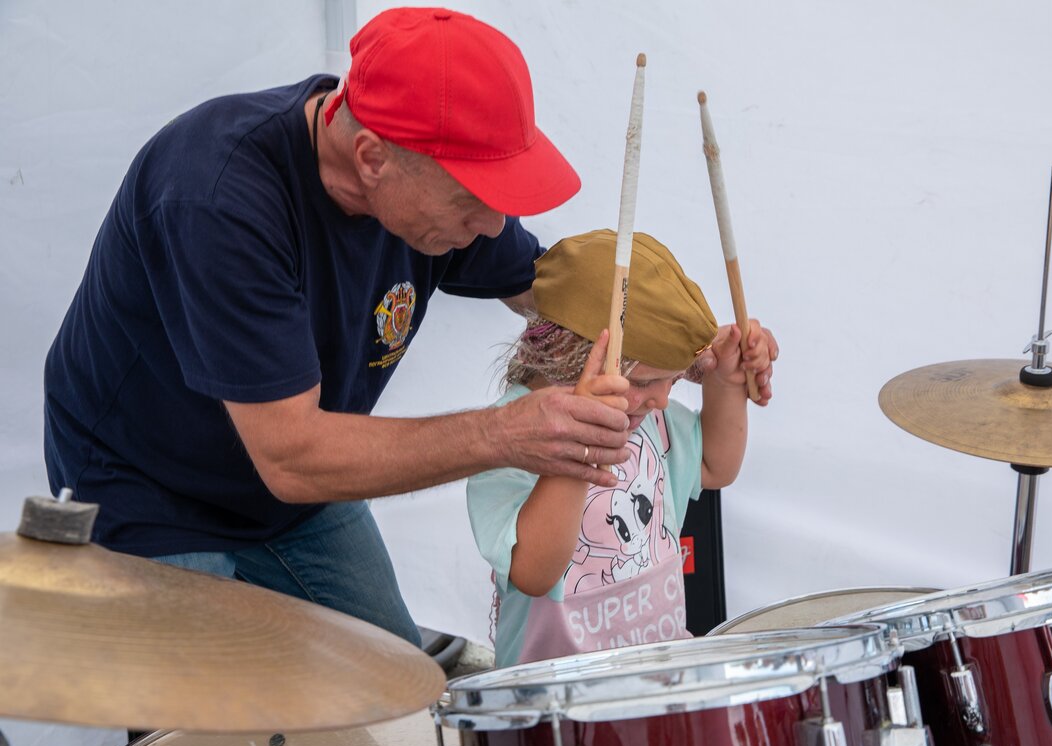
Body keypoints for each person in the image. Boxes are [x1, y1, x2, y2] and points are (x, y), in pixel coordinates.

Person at [42, 8, 633, 647]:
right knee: (199, 732)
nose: (493, 226)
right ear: (371, 156)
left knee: (394, 697)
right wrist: (503, 433)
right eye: (472, 201)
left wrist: (693, 344)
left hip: (294, 492)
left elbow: (547, 290)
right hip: (148, 488)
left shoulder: (426, 179)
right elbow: (292, 457)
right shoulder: (216, 197)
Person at [466, 229, 776, 667]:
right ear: (571, 357)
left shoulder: (647, 419)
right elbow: (533, 573)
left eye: (671, 380)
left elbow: (715, 465)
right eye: (648, 382)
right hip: (552, 700)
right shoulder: (511, 433)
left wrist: (725, 379)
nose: (663, 400)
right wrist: (579, 445)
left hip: (657, 678)